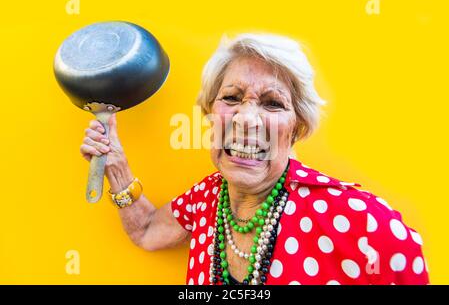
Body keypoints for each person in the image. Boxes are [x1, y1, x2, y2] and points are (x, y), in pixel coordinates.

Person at [80, 33, 429, 285]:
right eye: (231, 98)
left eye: (273, 103)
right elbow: (147, 231)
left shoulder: (364, 224)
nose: (247, 119)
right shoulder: (208, 197)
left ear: (297, 129)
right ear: (211, 115)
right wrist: (116, 165)